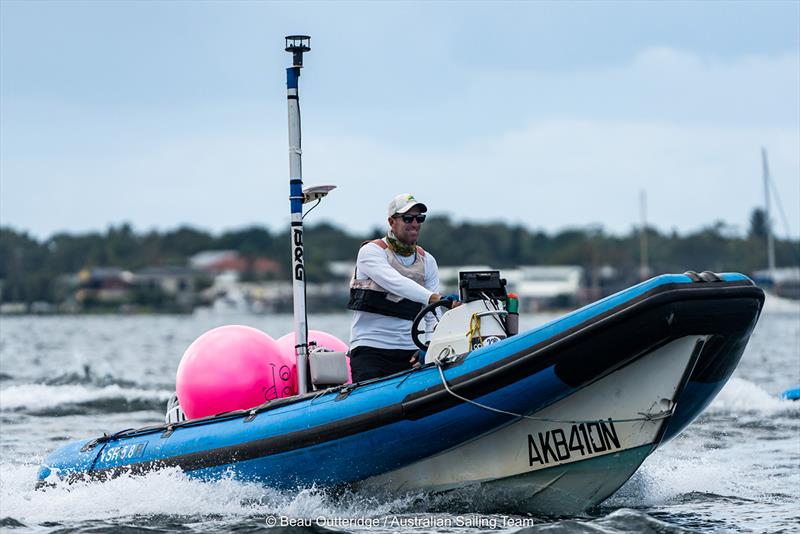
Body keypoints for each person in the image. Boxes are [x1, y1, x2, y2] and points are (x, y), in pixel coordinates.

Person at [347, 193, 442, 382]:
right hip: (370, 349)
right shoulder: (371, 252)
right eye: (408, 218)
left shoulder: (428, 261)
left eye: (419, 218)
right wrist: (432, 298)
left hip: (410, 353)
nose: (414, 223)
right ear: (392, 222)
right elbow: (395, 282)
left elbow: (433, 316)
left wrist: (429, 348)